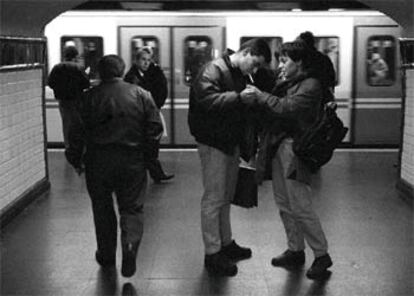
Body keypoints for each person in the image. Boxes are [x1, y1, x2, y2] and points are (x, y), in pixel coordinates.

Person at [240, 41, 333, 280]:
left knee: (300, 204)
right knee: (283, 201)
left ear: (299, 63)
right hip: (280, 146)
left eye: (285, 61)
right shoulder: (290, 81)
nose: (281, 65)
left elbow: (287, 108)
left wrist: (261, 97)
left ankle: (321, 255)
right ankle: (295, 249)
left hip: (296, 150)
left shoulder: (311, 85)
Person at [65, 55, 163, 277]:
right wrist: (148, 158)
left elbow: (76, 132)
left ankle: (107, 254)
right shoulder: (141, 95)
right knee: (132, 207)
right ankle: (129, 246)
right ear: (122, 70)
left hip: (97, 162)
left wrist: (75, 159)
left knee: (102, 208)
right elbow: (154, 129)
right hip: (132, 161)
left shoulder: (87, 98)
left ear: (100, 73)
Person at [188, 38, 271, 276]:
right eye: (254, 64)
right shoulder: (213, 70)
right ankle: (212, 253)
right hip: (214, 143)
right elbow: (206, 101)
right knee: (214, 199)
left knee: (225, 196)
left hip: (229, 143)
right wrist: (239, 97)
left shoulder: (236, 73)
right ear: (246, 53)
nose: (254, 70)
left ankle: (226, 242)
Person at [124, 46, 174, 183]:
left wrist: (156, 106)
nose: (146, 63)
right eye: (143, 60)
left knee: (151, 145)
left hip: (152, 113)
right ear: (137, 61)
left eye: (148, 60)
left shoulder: (155, 72)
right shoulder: (131, 77)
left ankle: (154, 173)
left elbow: (162, 91)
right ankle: (154, 173)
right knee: (147, 146)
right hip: (139, 116)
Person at [47, 46, 90, 148]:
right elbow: (86, 84)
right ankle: (78, 147)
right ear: (75, 56)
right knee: (78, 124)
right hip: (77, 100)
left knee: (66, 124)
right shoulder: (78, 68)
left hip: (63, 101)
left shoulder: (57, 68)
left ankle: (68, 145)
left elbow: (50, 83)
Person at [296, 31, 336, 95]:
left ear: (304, 44)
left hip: (309, 94)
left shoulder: (303, 59)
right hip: (324, 94)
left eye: (299, 44)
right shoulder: (324, 58)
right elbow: (331, 78)